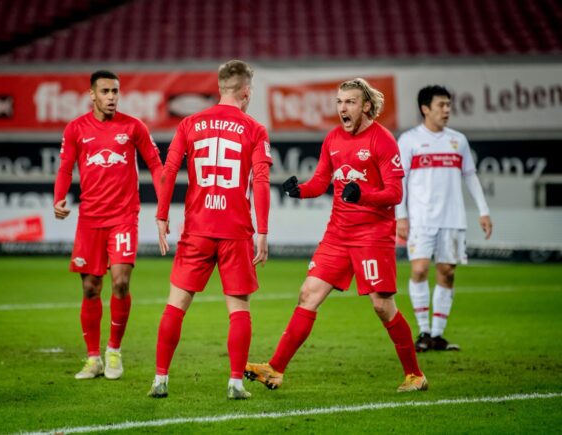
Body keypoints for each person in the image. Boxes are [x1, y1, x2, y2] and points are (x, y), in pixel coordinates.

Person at [246, 78, 428, 393]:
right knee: (308, 294)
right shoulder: (332, 138)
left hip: (373, 234)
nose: (342, 108)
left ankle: (415, 375)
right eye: (340, 101)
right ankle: (275, 369)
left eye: (350, 102)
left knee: (381, 305)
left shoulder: (382, 141)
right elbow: (320, 181)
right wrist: (299, 190)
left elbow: (395, 193)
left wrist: (364, 195)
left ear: (366, 106)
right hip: (338, 234)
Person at [148, 60, 272, 400]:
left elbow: (169, 169)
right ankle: (235, 383)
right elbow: (261, 182)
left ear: (220, 88)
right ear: (246, 92)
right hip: (236, 231)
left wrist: (161, 216)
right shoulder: (255, 129)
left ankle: (160, 379)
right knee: (239, 309)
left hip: (197, 229)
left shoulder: (190, 123)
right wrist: (263, 230)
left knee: (176, 305)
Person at [53, 70, 163, 380]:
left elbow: (156, 164)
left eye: (115, 91)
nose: (112, 96)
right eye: (105, 91)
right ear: (92, 95)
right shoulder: (76, 129)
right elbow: (65, 167)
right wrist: (59, 199)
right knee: (90, 288)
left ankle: (113, 351)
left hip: (124, 217)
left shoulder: (133, 127)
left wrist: (163, 207)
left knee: (120, 283)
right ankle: (92, 359)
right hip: (90, 219)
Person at [395, 85, 492, 352]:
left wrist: (483, 210)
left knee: (447, 273)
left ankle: (437, 335)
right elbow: (398, 181)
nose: (446, 110)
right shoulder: (409, 140)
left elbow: (470, 176)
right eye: (441, 105)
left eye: (448, 105)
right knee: (419, 269)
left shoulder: (458, 140)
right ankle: (423, 330)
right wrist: (400, 216)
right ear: (425, 109)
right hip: (421, 218)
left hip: (452, 218)